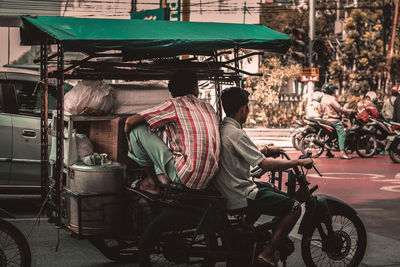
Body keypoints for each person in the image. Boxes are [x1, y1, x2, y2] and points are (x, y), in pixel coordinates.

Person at [213, 87, 313, 267]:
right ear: (243, 109)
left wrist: (266, 150)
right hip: (240, 193)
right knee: (294, 207)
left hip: (230, 188)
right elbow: (265, 164)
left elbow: (247, 153)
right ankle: (267, 253)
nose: (248, 111)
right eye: (248, 107)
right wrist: (298, 163)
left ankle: (249, 233)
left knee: (270, 189)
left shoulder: (224, 129)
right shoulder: (236, 133)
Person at [124, 69, 220, 194]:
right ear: (195, 89)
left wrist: (128, 140)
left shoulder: (174, 104)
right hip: (208, 179)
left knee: (137, 131)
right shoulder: (209, 107)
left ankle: (153, 183)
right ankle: (161, 176)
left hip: (186, 177)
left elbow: (130, 122)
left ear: (173, 93)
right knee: (165, 131)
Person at [319, 83, 355, 159]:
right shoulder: (331, 99)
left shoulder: (322, 99)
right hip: (334, 120)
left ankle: (328, 152)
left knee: (330, 136)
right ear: (330, 90)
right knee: (342, 134)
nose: (334, 91)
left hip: (325, 120)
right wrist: (350, 111)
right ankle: (342, 152)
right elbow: (340, 109)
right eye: (333, 90)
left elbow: (320, 110)